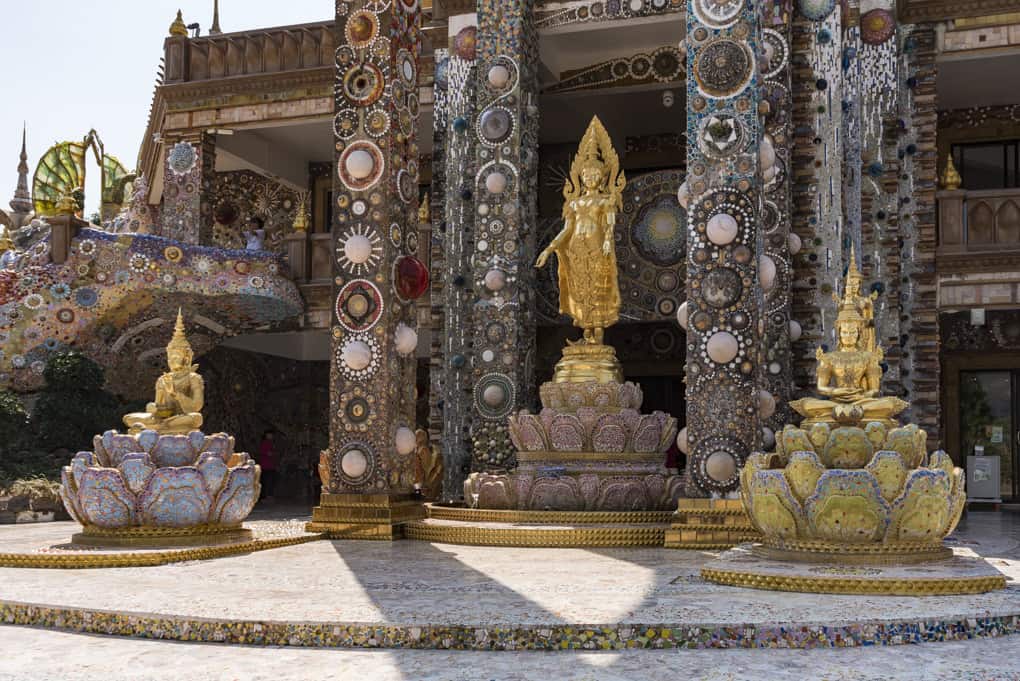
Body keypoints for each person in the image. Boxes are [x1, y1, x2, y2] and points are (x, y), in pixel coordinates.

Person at [258, 430, 278, 503]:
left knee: (271, 481)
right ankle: (265, 497)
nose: (271, 436)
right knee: (266, 481)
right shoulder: (264, 443)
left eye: (271, 435)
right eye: (269, 435)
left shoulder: (272, 443)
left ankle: (269, 496)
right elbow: (266, 453)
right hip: (265, 465)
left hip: (271, 465)